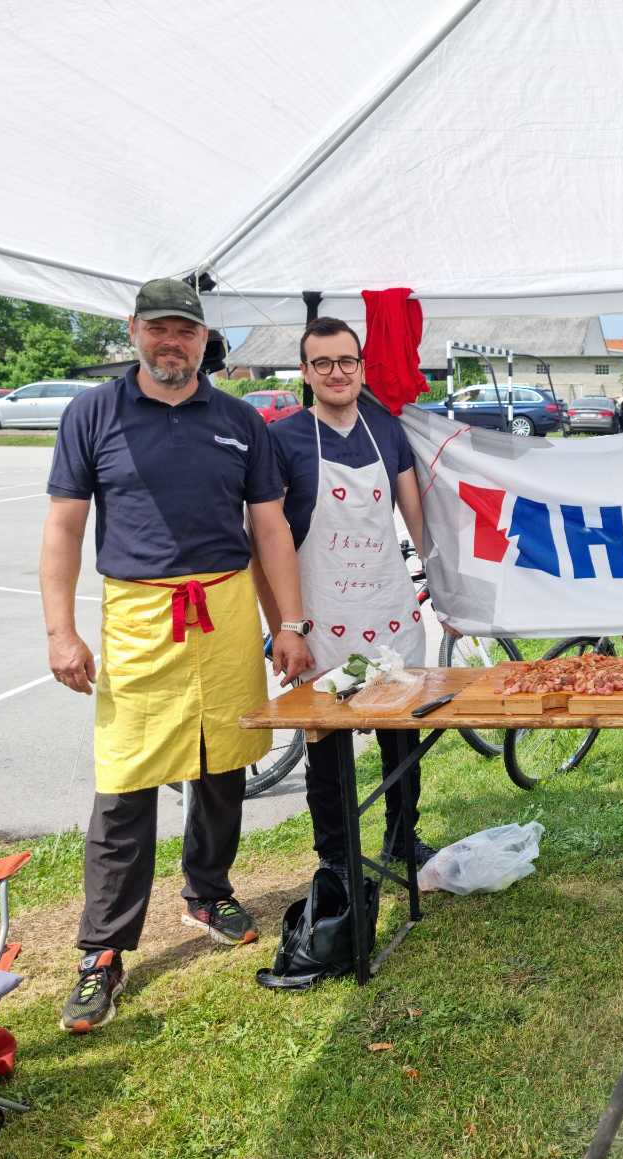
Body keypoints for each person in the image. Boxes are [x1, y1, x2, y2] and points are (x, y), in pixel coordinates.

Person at [41, 277, 314, 1033]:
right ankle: (102, 950)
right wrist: (61, 631)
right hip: (139, 615)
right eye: (159, 328)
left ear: (203, 340)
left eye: (186, 331)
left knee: (223, 763)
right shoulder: (93, 413)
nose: (172, 342)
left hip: (223, 609)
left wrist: (289, 623)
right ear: (134, 331)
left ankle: (208, 891)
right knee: (125, 780)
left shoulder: (239, 420)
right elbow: (64, 527)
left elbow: (269, 529)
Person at [255, 316, 438, 882]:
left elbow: (415, 514)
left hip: (387, 607)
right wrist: (283, 626)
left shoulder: (386, 429)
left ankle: (402, 837)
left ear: (361, 367)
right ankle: (336, 857)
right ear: (305, 372)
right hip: (321, 616)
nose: (337, 373)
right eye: (323, 363)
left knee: (401, 735)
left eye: (346, 361)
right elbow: (266, 540)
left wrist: (444, 582)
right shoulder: (282, 439)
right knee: (327, 745)